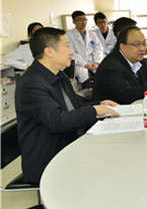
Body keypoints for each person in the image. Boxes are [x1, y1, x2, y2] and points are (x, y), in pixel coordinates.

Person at [15, 28, 119, 184]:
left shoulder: (58, 75)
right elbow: (57, 121)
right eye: (67, 46)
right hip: (49, 160)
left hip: (68, 147)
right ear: (49, 52)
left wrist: (99, 104)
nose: (72, 52)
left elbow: (73, 106)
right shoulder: (32, 84)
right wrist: (94, 110)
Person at [92, 26, 147, 104]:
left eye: (144, 44)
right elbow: (129, 96)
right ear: (122, 46)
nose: (142, 48)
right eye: (136, 44)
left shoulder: (138, 59)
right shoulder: (111, 67)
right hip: (114, 112)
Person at [66, 10, 104, 86]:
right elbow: (72, 53)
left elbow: (99, 48)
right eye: (79, 20)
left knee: (103, 72)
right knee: (85, 75)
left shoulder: (92, 34)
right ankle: (86, 92)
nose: (83, 22)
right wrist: (85, 64)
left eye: (84, 19)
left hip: (93, 62)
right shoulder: (69, 35)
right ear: (74, 22)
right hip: (79, 64)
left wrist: (96, 62)